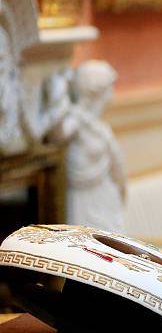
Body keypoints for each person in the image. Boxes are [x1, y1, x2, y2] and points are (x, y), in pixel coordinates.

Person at [51, 61, 126, 234]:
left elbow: (118, 171)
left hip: (106, 197)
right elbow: (58, 134)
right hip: (82, 203)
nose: (112, 93)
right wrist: (60, 90)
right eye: (109, 87)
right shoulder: (76, 122)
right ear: (98, 92)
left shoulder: (99, 127)